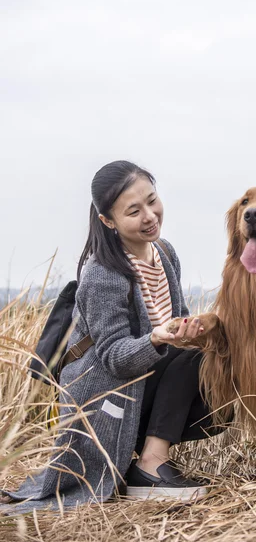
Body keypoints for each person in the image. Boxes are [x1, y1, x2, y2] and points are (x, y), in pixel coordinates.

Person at [2, 160, 226, 508]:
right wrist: (158, 339)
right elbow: (114, 358)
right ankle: (150, 464)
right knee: (191, 357)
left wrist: (187, 330)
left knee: (223, 363)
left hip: (144, 381)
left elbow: (176, 320)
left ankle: (147, 457)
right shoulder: (103, 273)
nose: (149, 215)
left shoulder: (165, 254)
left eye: (152, 200)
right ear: (109, 221)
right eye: (134, 211)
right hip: (104, 395)